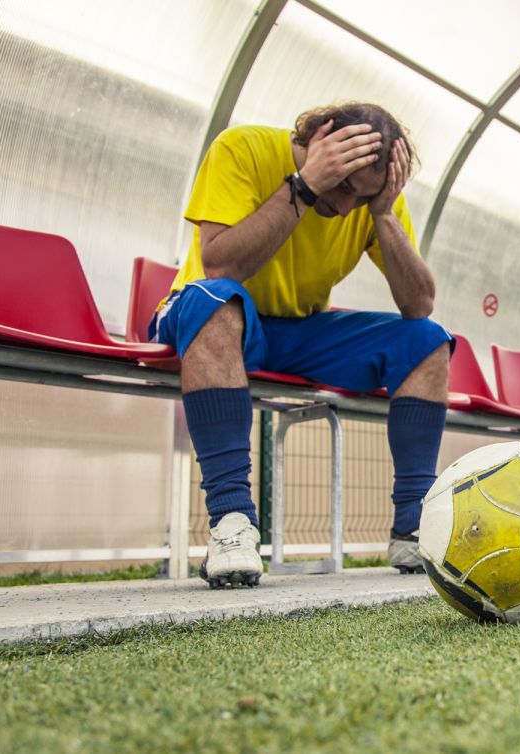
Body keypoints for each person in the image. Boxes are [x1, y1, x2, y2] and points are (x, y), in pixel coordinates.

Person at [150, 103, 453, 586]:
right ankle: (232, 523)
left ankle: (414, 526)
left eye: (365, 196)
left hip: (296, 330)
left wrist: (384, 214)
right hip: (208, 312)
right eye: (345, 187)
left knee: (427, 341)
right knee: (216, 299)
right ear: (317, 138)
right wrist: (307, 186)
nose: (347, 206)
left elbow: (419, 304)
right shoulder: (242, 147)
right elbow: (221, 267)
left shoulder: (370, 200)